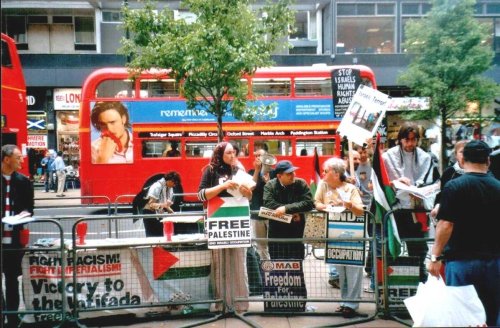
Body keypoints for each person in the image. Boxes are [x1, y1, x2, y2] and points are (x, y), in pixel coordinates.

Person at [427, 140, 500, 327]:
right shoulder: (498, 187)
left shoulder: (454, 186)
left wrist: (435, 256)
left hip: (461, 261)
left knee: (461, 317)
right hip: (494, 261)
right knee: (492, 313)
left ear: (463, 159)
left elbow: (446, 224)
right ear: (488, 161)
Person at [197, 141, 252, 313]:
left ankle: (240, 304)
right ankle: (222, 303)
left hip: (237, 220)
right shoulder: (210, 170)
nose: (232, 155)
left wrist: (245, 191)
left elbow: (249, 196)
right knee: (219, 265)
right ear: (220, 154)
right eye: (228, 153)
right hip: (218, 221)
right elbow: (201, 194)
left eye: (234, 152)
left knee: (238, 264)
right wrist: (223, 186)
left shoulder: (239, 171)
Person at [382, 122, 435, 281]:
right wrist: (397, 181)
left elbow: (427, 179)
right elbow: (385, 180)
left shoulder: (425, 156)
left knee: (418, 246)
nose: (410, 144)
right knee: (393, 244)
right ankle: (395, 278)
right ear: (400, 140)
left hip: (416, 208)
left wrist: (417, 188)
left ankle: (420, 275)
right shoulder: (388, 156)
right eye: (407, 140)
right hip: (396, 208)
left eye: (414, 140)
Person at [314, 157, 366, 318]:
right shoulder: (323, 185)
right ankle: (344, 302)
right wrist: (325, 206)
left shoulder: (350, 189)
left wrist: (348, 205)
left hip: (352, 234)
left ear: (336, 174)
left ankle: (352, 303)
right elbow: (316, 202)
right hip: (334, 234)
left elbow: (360, 211)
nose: (323, 174)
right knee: (341, 270)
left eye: (326, 171)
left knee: (353, 270)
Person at [1, 144, 34, 328]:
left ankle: (12, 320)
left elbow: (29, 209)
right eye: (18, 157)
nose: (22, 160)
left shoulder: (24, 181)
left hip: (14, 241)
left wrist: (23, 215)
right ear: (7, 159)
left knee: (12, 280)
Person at [263, 160, 314, 260]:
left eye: (293, 172)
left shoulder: (301, 183)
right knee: (277, 268)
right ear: (279, 176)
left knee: (297, 268)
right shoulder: (270, 185)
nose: (293, 175)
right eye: (289, 173)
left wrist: (286, 209)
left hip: (296, 233)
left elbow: (308, 203)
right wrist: (292, 213)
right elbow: (268, 204)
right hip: (277, 234)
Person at [430, 140, 467, 220]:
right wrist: (437, 207)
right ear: (456, 155)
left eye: (468, 152)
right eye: (462, 152)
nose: (465, 155)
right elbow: (440, 195)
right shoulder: (449, 172)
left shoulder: (476, 172)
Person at [141, 171, 181, 237]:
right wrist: (164, 205)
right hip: (149, 214)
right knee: (154, 238)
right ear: (170, 180)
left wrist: (173, 213)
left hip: (158, 214)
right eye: (174, 183)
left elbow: (165, 205)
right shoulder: (157, 186)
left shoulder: (169, 188)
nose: (174, 186)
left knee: (160, 237)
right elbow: (151, 204)